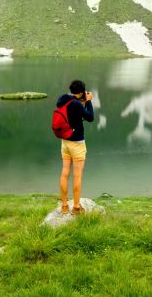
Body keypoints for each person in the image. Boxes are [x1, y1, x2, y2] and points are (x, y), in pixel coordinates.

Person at [57, 79, 94, 214]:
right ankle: (76, 207)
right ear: (81, 92)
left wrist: (81, 102)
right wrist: (88, 102)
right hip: (77, 143)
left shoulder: (63, 100)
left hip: (65, 142)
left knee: (64, 173)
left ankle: (64, 206)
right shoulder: (77, 104)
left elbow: (73, 112)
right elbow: (90, 117)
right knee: (77, 176)